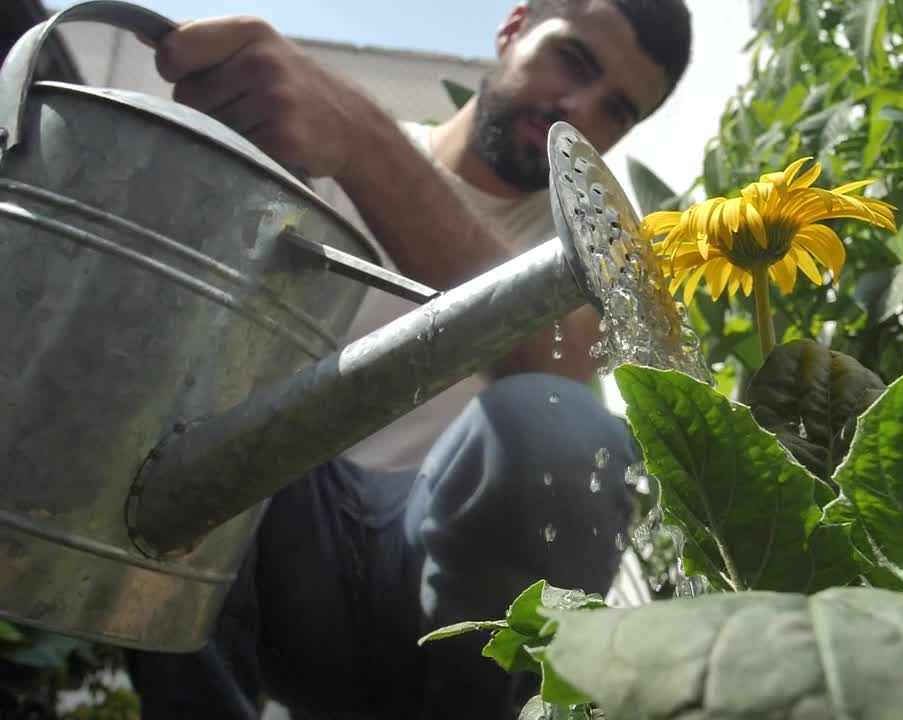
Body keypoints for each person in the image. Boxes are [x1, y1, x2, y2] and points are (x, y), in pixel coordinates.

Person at [122, 1, 693, 718]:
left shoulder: (588, 256)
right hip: (258, 553)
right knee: (191, 365)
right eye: (573, 61)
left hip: (439, 618)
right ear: (513, 27)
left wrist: (363, 145)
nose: (576, 110)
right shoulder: (306, 143)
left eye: (617, 110)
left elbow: (558, 370)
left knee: (561, 427)